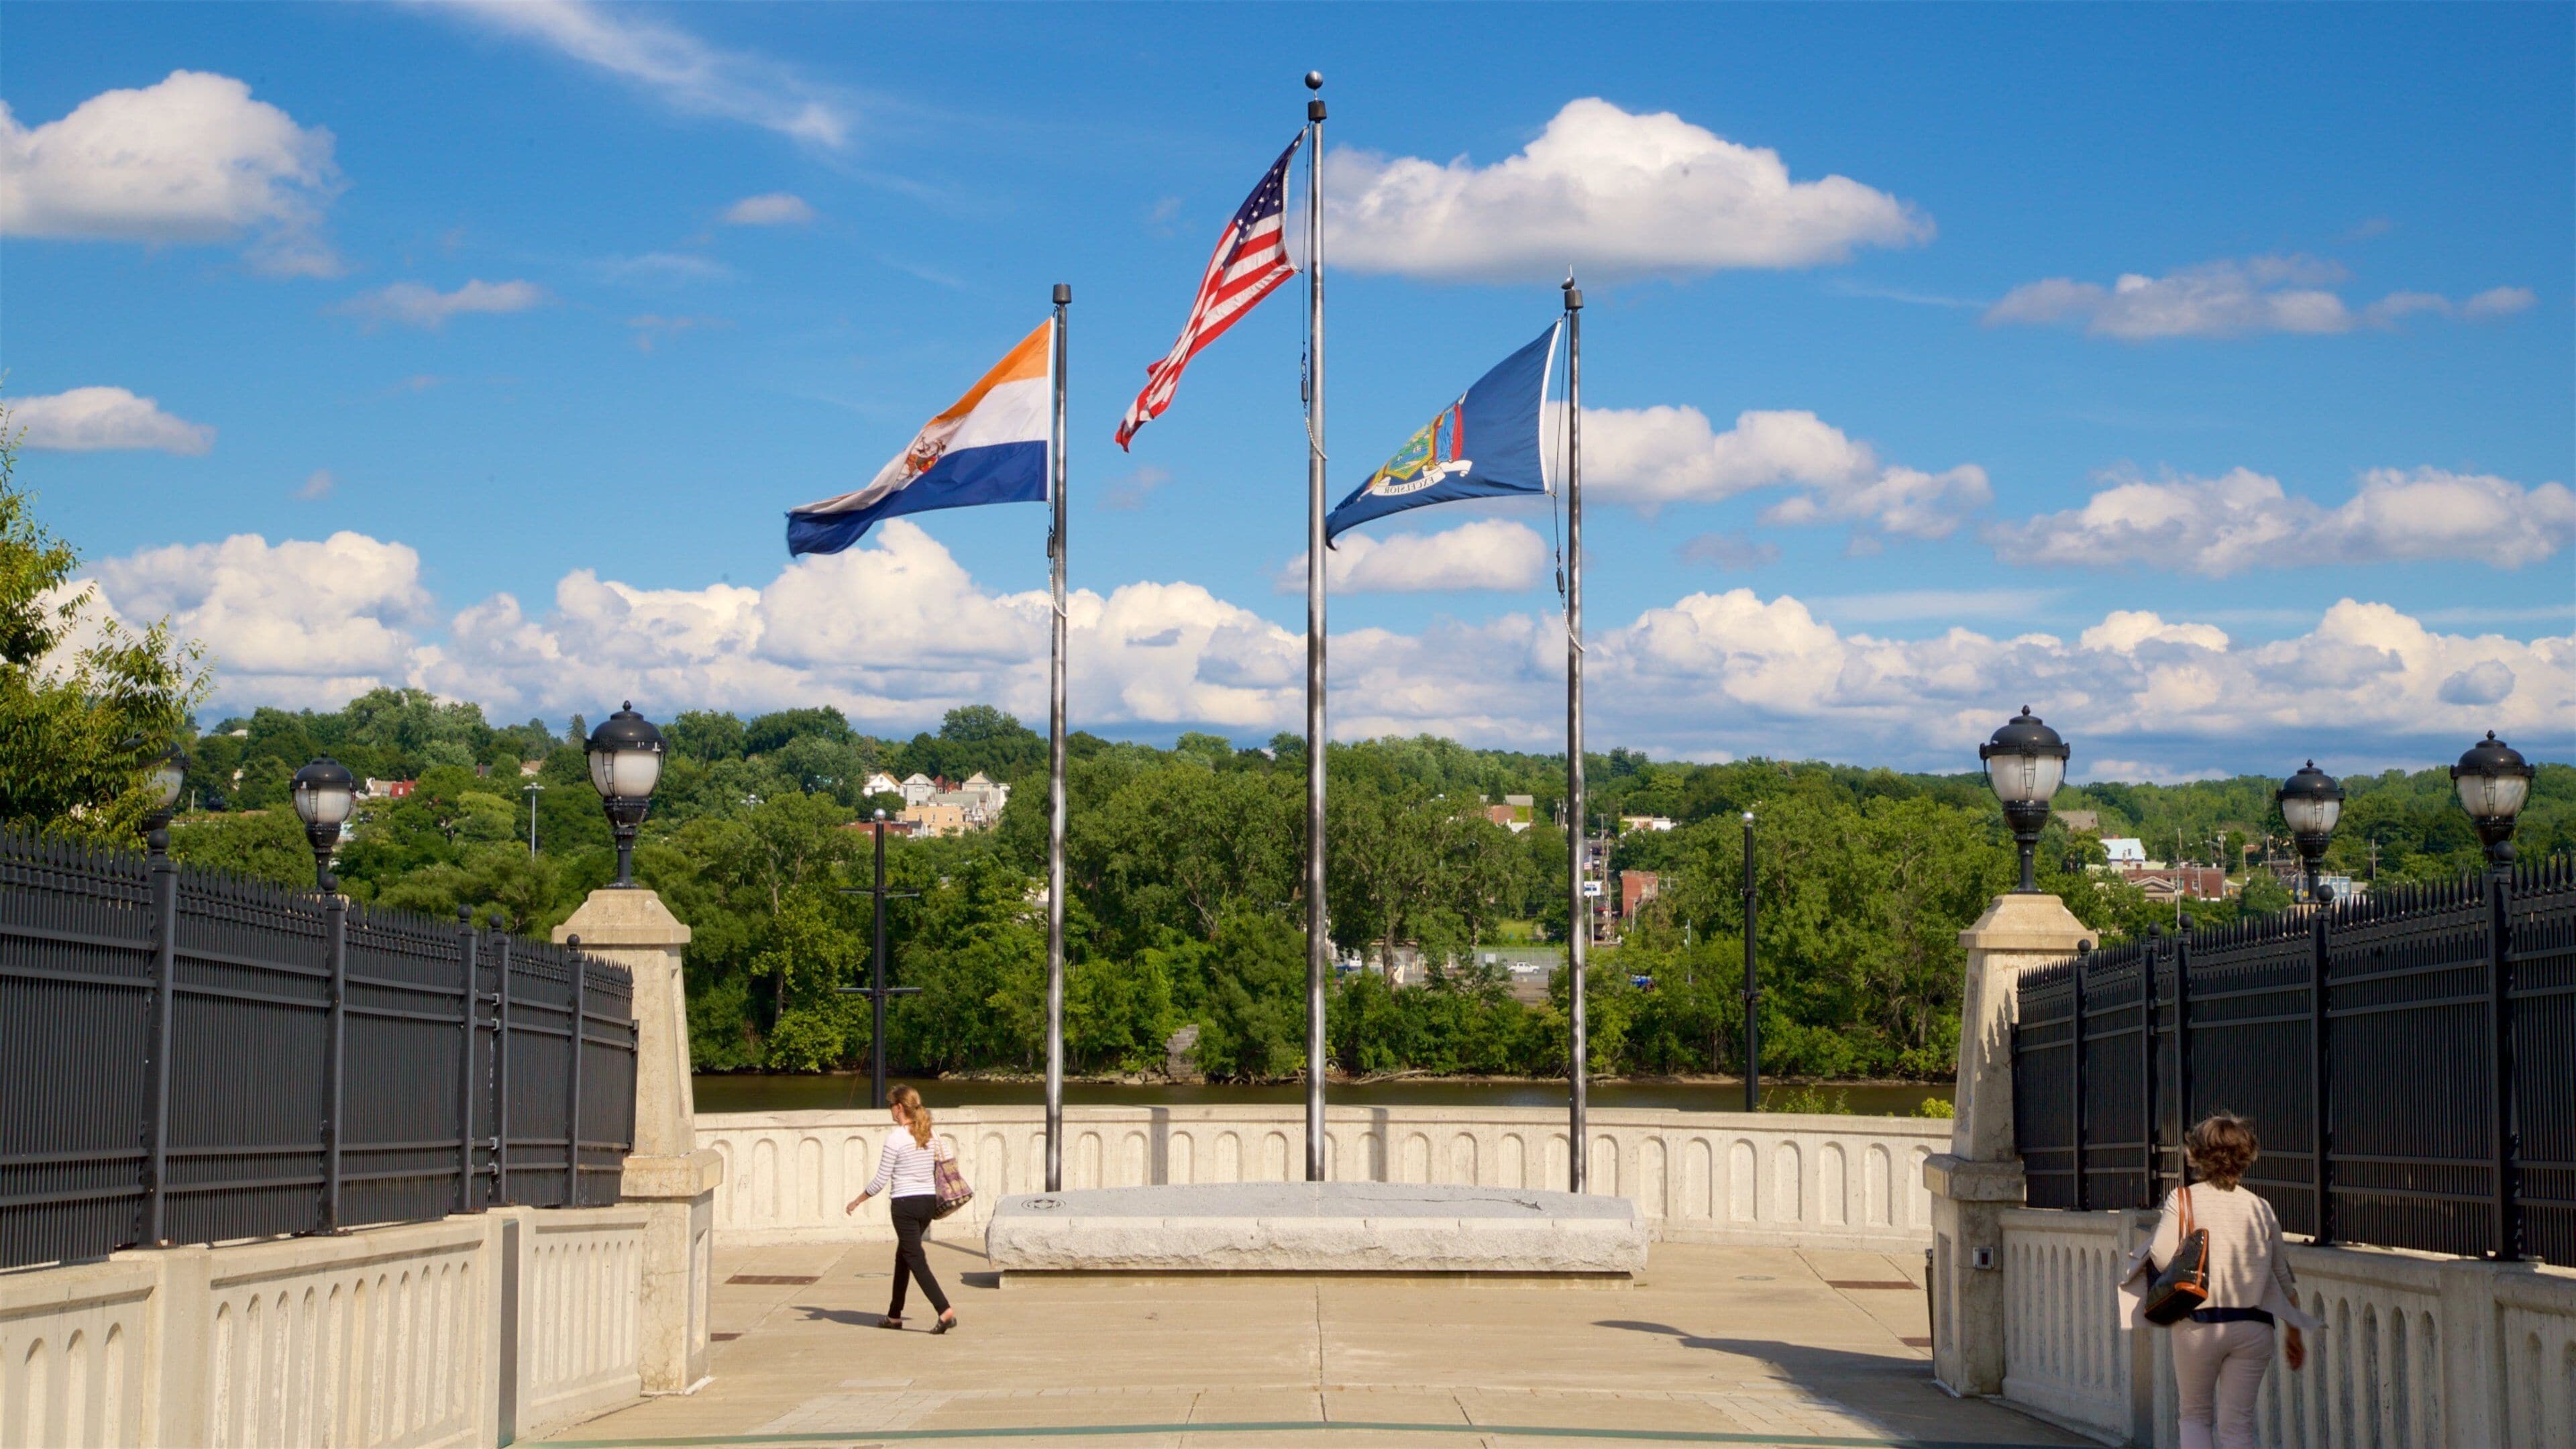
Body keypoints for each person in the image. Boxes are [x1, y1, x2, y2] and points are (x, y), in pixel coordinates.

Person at [2122, 1112, 2320, 1449]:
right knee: (2238, 1428)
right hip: (2255, 1327)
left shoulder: (2183, 1199)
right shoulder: (2261, 1207)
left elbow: (2161, 1255)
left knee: (2195, 1416)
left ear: (2196, 1153)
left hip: (2200, 1323)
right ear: (2246, 1157)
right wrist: (2295, 1335)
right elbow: (2284, 1282)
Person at [844, 1084, 958, 1334]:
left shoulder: (895, 1139)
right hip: (927, 1204)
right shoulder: (930, 1133)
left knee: (915, 1259)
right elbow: (948, 1161)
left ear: (899, 1108)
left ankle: (944, 1310)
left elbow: (881, 1178)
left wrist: (857, 1200)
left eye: (890, 1106)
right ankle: (894, 1315)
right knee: (904, 1256)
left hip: (905, 1205)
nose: (890, 1111)